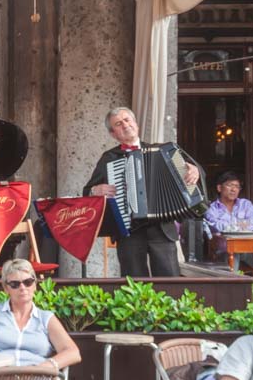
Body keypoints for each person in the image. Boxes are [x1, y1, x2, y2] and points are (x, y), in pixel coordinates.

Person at [83, 106, 201, 279]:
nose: (124, 125)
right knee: (133, 283)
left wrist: (195, 171)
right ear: (113, 134)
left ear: (136, 124)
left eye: (127, 120)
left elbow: (192, 174)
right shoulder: (109, 158)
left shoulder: (165, 151)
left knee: (170, 280)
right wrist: (95, 190)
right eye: (118, 123)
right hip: (130, 231)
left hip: (162, 228)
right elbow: (87, 192)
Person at [0, 258, 81, 368]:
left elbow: (73, 352)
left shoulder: (46, 318)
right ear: (6, 288)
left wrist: (46, 367)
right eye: (15, 284)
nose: (22, 287)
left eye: (28, 282)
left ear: (35, 285)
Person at [203, 170, 253, 280]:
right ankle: (232, 296)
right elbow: (216, 226)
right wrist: (242, 224)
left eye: (237, 186)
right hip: (225, 248)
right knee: (230, 275)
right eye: (230, 185)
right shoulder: (211, 208)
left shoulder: (246, 204)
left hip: (249, 247)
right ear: (219, 188)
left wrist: (230, 226)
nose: (234, 189)